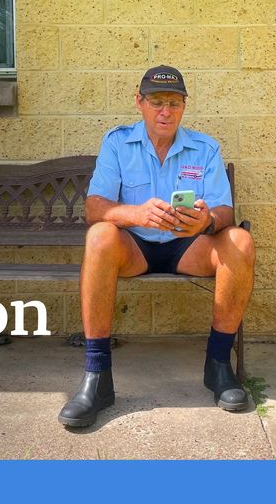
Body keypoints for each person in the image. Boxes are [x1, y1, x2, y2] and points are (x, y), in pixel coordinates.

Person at [57, 65, 256, 428]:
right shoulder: (118, 142)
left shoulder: (205, 148)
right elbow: (94, 207)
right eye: (157, 102)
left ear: (184, 106)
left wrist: (206, 221)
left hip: (188, 247)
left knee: (239, 240)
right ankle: (97, 377)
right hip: (135, 247)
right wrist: (136, 213)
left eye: (175, 103)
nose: (166, 111)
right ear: (140, 103)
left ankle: (218, 365)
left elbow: (225, 210)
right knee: (99, 236)